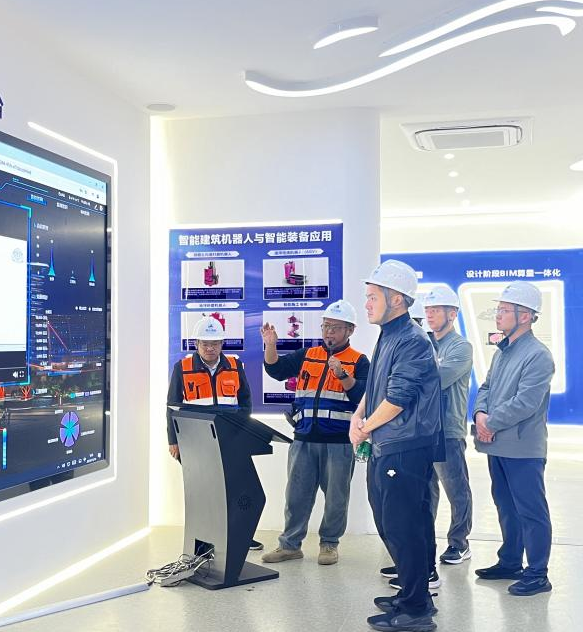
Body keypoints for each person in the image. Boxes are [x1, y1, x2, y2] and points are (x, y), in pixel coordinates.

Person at [352, 260, 443, 632]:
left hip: (404, 446)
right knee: (397, 523)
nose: (367, 304)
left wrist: (365, 428)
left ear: (398, 300)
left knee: (403, 526)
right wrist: (359, 415)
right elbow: (378, 386)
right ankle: (411, 593)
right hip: (388, 443)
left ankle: (416, 609)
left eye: (373, 297)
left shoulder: (412, 340)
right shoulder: (389, 335)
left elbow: (398, 398)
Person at [259, 300, 370, 566]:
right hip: (304, 439)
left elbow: (363, 398)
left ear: (350, 330)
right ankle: (290, 545)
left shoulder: (359, 361)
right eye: (326, 326)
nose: (329, 332)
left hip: (339, 442)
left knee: (336, 498)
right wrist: (271, 345)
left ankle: (329, 544)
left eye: (336, 327)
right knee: (296, 495)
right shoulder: (307, 355)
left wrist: (343, 375)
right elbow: (276, 370)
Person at [472, 281, 556, 597]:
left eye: (505, 310)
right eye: (499, 309)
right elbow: (486, 387)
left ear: (526, 315)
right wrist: (480, 415)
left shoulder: (538, 355)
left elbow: (526, 403)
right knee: (506, 506)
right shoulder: (503, 351)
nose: (498, 315)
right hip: (497, 444)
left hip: (523, 448)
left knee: (531, 511)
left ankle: (537, 573)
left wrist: (490, 423)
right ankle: (509, 562)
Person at [166, 316, 261, 550]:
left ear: (222, 343)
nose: (210, 348)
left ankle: (239, 536)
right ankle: (203, 542)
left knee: (235, 490)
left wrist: (241, 433)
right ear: (196, 344)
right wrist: (173, 441)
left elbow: (245, 402)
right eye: (205, 344)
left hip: (229, 440)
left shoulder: (235, 366)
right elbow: (172, 407)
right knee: (203, 493)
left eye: (215, 343)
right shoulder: (182, 368)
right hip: (196, 443)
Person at [422, 285, 474, 566]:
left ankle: (459, 543)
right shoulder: (424, 343)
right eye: (427, 310)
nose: (429, 315)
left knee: (456, 488)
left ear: (452, 314)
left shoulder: (460, 347)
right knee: (425, 490)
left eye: (436, 310)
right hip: (422, 429)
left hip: (448, 430)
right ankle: (424, 541)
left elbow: (435, 380)